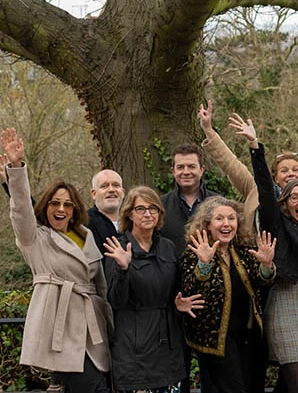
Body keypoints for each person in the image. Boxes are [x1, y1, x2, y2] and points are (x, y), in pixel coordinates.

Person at [2, 128, 111, 392]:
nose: (61, 209)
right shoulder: (35, 238)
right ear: (46, 207)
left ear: (75, 210)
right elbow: (21, 210)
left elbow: (101, 285)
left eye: (67, 204)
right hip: (61, 331)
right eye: (54, 203)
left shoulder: (86, 236)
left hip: (94, 328)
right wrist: (15, 169)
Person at [103, 187, 204, 393]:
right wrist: (123, 269)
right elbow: (115, 300)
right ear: (129, 213)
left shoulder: (167, 246)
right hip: (134, 343)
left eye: (153, 208)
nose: (147, 214)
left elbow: (178, 287)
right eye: (140, 209)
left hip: (168, 341)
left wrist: (180, 303)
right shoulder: (119, 248)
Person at [243, 124, 298, 393]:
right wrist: (255, 148)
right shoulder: (276, 224)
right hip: (284, 308)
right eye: (295, 197)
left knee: (288, 385)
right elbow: (265, 188)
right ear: (285, 202)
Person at [181, 196, 277, 393]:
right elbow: (192, 289)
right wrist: (204, 264)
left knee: (252, 387)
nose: (226, 224)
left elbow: (261, 282)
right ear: (207, 223)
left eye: (231, 219)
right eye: (219, 219)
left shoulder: (243, 249)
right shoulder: (194, 251)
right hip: (217, 339)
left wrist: (267, 265)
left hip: (249, 335)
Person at [198, 102, 298, 233]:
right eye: (284, 170)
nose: (290, 174)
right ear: (275, 178)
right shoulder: (254, 189)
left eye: (295, 170)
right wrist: (208, 130)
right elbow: (230, 164)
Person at [160, 143, 220, 247]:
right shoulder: (160, 205)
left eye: (191, 166)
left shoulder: (218, 204)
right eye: (180, 167)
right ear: (173, 171)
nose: (186, 172)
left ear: (202, 170)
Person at [87, 169, 125, 252]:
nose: (111, 190)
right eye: (104, 186)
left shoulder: (133, 223)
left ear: (123, 193)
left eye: (116, 185)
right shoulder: (84, 224)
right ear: (94, 194)